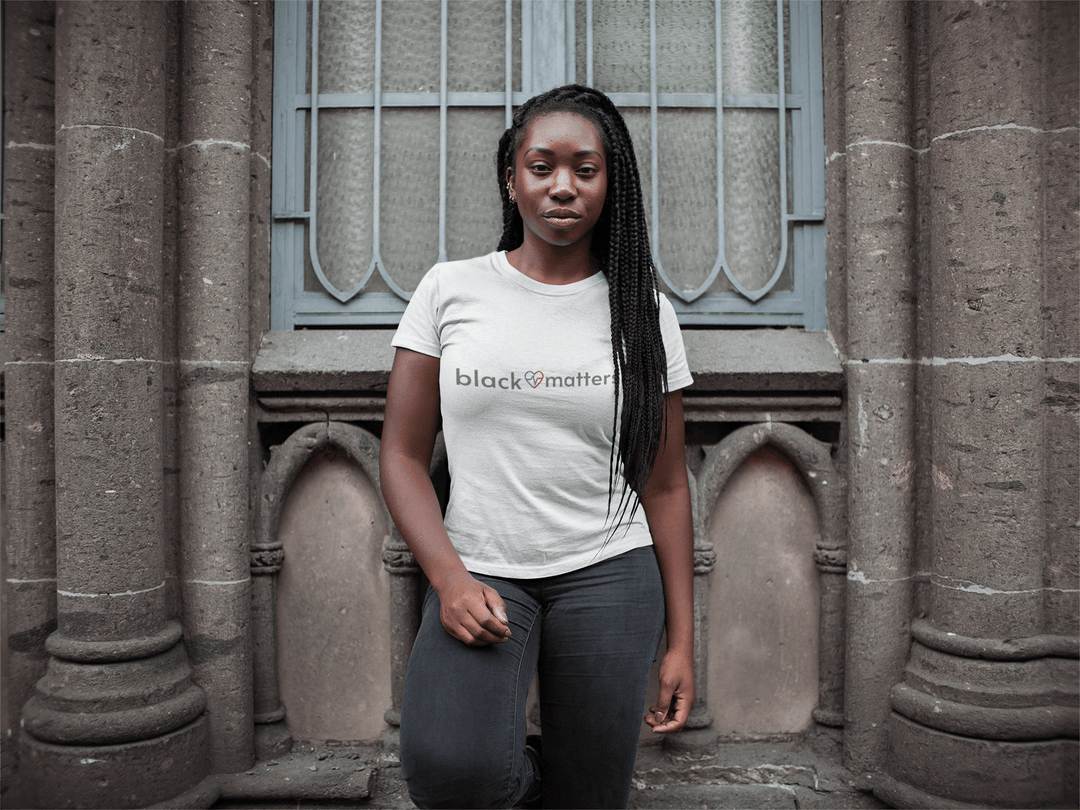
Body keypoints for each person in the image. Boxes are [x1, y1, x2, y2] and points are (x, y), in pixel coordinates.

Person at [379, 84, 695, 810]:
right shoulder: (449, 290)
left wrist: (681, 640)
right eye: (542, 166)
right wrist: (449, 580)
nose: (563, 187)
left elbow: (667, 484)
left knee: (589, 794)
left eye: (586, 169)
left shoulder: (643, 311)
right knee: (449, 770)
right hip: (482, 571)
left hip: (609, 572)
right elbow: (400, 455)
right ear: (511, 178)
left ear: (611, 185)